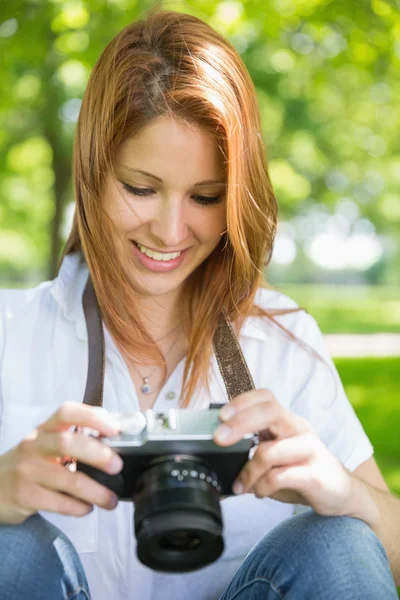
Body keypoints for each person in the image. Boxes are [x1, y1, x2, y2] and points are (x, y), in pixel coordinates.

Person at [0, 8, 398, 600]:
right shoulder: (11, 330)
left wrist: (347, 495)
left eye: (206, 197)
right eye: (141, 188)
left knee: (339, 543)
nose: (169, 230)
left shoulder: (283, 340)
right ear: (91, 173)